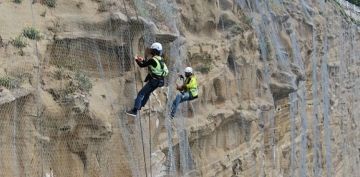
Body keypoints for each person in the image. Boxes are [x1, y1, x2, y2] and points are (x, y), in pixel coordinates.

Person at [126, 42, 169, 117]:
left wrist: (136, 59)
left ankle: (134, 111)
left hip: (153, 81)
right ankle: (140, 105)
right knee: (147, 93)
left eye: (152, 50)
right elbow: (149, 63)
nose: (151, 51)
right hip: (159, 81)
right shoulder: (160, 60)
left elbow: (142, 65)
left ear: (154, 51)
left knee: (140, 94)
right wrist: (142, 59)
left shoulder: (153, 60)